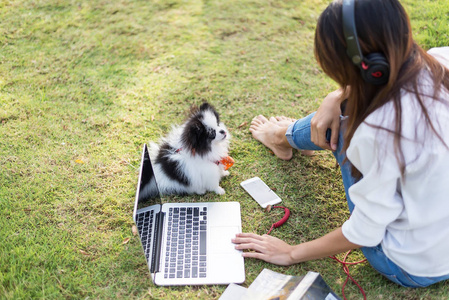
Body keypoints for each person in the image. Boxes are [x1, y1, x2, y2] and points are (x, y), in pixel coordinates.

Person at [232, 0, 449, 288]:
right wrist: (336, 96)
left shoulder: (377, 129)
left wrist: (291, 252)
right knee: (346, 105)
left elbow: (366, 231)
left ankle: (280, 136)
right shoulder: (441, 61)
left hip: (413, 267)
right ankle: (283, 135)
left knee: (346, 117)